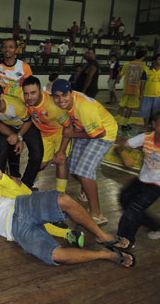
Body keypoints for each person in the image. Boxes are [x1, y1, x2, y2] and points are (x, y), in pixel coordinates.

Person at [0, 167, 135, 267]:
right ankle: (104, 255)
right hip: (16, 230)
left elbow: (19, 191)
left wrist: (2, 177)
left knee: (64, 199)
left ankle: (101, 234)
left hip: (21, 205)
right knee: (56, 255)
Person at [52, 79, 118, 225]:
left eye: (64, 95)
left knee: (84, 172)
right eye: (56, 96)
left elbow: (99, 134)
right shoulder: (67, 103)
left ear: (71, 93)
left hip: (104, 134)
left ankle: (97, 214)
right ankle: (88, 191)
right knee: (75, 169)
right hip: (85, 130)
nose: (60, 100)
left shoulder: (84, 107)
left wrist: (72, 135)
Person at [0, 82, 42, 189]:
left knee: (37, 155)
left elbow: (28, 122)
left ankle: (25, 186)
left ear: (1, 96)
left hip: (24, 124)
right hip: (7, 125)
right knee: (0, 152)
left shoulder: (16, 106)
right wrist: (13, 136)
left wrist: (19, 137)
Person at [116, 111, 160, 244]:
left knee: (134, 208)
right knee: (124, 200)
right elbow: (120, 147)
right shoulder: (146, 137)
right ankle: (156, 227)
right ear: (154, 124)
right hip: (143, 179)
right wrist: (125, 156)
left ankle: (124, 240)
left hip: (157, 184)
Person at [22, 76, 71, 192]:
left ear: (40, 90)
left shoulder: (54, 106)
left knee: (61, 161)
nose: (29, 97)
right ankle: (28, 184)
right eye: (26, 93)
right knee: (40, 164)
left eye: (33, 93)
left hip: (61, 133)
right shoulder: (23, 97)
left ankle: (60, 194)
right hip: (45, 134)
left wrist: (61, 151)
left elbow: (68, 128)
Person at [116, 50, 147, 130]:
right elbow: (144, 81)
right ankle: (125, 124)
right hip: (135, 90)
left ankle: (116, 122)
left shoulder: (127, 64)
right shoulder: (143, 66)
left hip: (126, 89)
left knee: (122, 106)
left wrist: (117, 81)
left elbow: (120, 75)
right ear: (143, 57)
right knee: (130, 108)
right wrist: (141, 94)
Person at [139, 54, 160, 130]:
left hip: (158, 96)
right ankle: (145, 127)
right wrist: (141, 94)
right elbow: (143, 83)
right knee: (146, 112)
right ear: (154, 61)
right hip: (147, 95)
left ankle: (155, 128)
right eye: (159, 59)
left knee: (156, 114)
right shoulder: (147, 70)